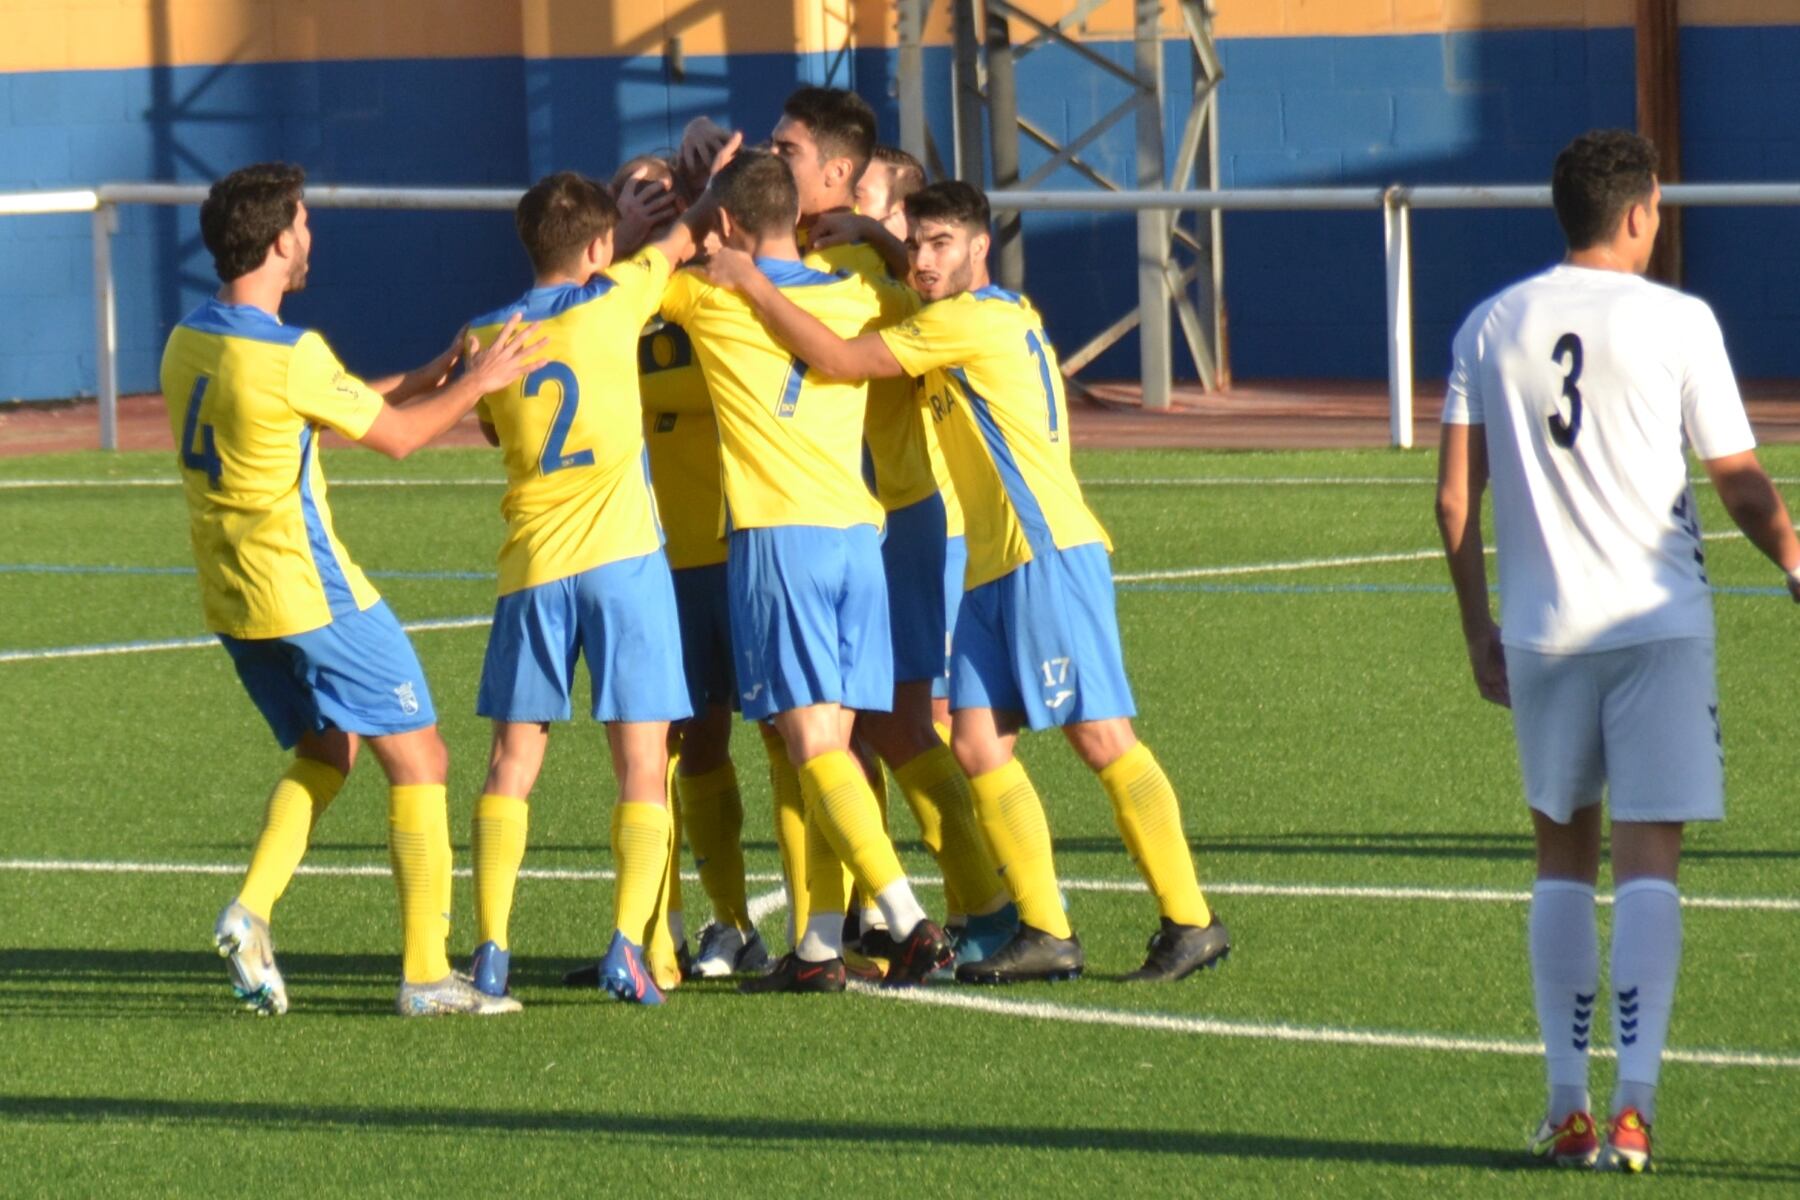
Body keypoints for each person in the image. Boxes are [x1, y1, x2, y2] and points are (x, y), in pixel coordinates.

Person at [701, 180, 1230, 985]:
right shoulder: (988, 311)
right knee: (978, 745)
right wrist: (884, 243)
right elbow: (908, 293)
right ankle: (1047, 931)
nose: (923, 259)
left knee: (1100, 737)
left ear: (981, 247)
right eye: (917, 243)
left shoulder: (967, 321)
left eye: (940, 243)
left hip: (1045, 553)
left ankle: (1190, 918)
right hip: (989, 566)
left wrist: (748, 279)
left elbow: (840, 359)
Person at [1435, 129, 1800, 1173]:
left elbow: (1456, 500)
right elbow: (1735, 476)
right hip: (1659, 627)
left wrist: (1477, 627)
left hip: (1545, 632)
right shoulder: (1679, 319)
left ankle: (1567, 1105)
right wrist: (1789, 550)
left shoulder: (1491, 322)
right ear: (1640, 210)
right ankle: (1634, 1107)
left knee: (1560, 863)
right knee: (1650, 866)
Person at [162, 161, 545, 1018]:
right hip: (311, 591)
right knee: (422, 758)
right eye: (301, 222)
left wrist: (432, 372)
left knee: (326, 751)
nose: (310, 237)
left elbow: (321, 415)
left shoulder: (189, 338)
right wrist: (480, 383)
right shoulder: (294, 353)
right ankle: (423, 975)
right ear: (275, 240)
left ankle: (249, 911)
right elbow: (400, 441)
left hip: (234, 597)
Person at [657, 150, 953, 992]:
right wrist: (876, 238)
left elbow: (625, 287)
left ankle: (907, 920)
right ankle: (821, 946)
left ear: (727, 225)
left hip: (778, 541)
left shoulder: (708, 294)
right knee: (834, 744)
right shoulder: (858, 293)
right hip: (861, 541)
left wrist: (687, 226)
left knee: (812, 743)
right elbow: (924, 295)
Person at [462, 166, 725, 1008]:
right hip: (624, 563)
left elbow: (482, 417)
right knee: (642, 764)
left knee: (511, 764)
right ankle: (627, 946)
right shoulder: (618, 296)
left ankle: (494, 949)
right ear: (601, 245)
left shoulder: (484, 336)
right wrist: (705, 179)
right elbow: (692, 232)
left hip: (533, 568)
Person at [774, 88, 1015, 964]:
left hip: (889, 520)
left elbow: (883, 342)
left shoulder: (866, 274)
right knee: (837, 734)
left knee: (893, 726)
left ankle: (986, 902)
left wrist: (873, 244)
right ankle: (835, 932)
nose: (776, 163)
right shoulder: (810, 250)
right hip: (841, 522)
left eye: (787, 151)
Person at [615, 152, 773, 980]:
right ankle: (662, 929)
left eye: (666, 199)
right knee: (672, 744)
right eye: (635, 198)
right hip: (652, 561)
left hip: (742, 546)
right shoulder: (607, 307)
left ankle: (771, 923)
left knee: (790, 734)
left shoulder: (720, 293)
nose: (655, 210)